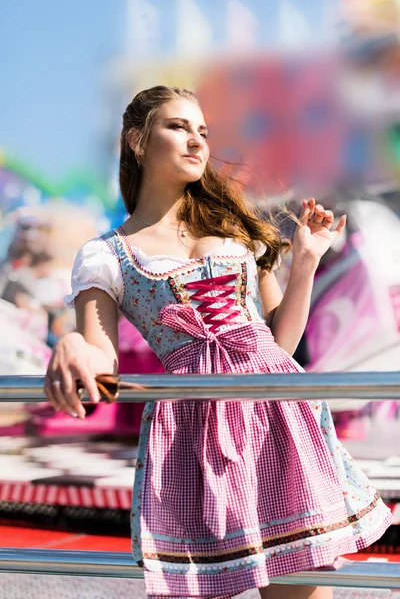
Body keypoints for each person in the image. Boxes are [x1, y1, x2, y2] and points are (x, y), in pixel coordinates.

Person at [44, 86, 393, 599]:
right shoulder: (105, 255)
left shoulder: (235, 227)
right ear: (137, 141)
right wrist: (71, 344)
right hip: (194, 430)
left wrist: (307, 261)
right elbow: (102, 362)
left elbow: (280, 341)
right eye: (179, 127)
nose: (197, 141)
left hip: (279, 415)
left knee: (301, 590)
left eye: (202, 131)